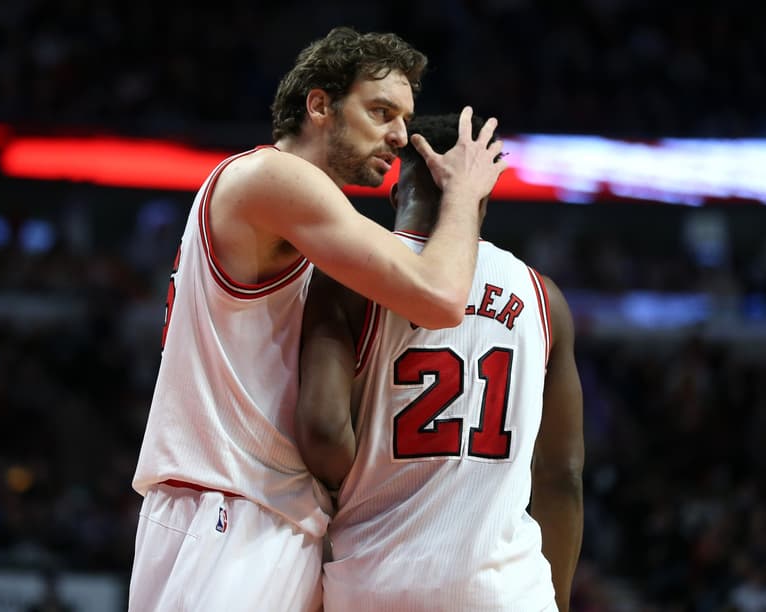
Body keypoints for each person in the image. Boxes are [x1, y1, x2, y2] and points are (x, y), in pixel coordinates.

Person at [129, 27, 509, 612]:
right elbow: (438, 296)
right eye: (380, 111)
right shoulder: (279, 179)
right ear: (319, 105)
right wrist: (464, 194)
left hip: (224, 510)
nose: (400, 135)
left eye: (404, 119)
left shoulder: (289, 204)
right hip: (238, 512)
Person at [295, 113, 584, 611]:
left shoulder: (350, 278)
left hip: (376, 583)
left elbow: (322, 431)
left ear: (396, 196)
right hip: (505, 592)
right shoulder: (543, 299)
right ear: (483, 201)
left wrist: (370, 473)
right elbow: (562, 476)